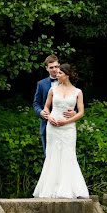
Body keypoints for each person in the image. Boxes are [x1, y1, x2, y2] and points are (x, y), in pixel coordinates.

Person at [33, 63, 90, 199]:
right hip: (53, 127)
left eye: (60, 73)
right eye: (56, 73)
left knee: (68, 154)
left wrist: (67, 121)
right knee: (53, 154)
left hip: (68, 127)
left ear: (67, 75)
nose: (56, 75)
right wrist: (48, 116)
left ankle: (68, 188)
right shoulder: (53, 90)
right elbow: (46, 107)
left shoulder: (77, 92)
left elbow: (81, 112)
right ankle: (50, 188)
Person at [33, 54, 75, 155]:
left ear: (59, 65)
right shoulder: (41, 84)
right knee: (50, 159)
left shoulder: (69, 82)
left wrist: (74, 112)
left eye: (56, 66)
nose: (54, 70)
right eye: (51, 67)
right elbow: (36, 103)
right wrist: (41, 113)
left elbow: (76, 104)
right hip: (47, 126)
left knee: (66, 157)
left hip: (65, 126)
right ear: (47, 68)